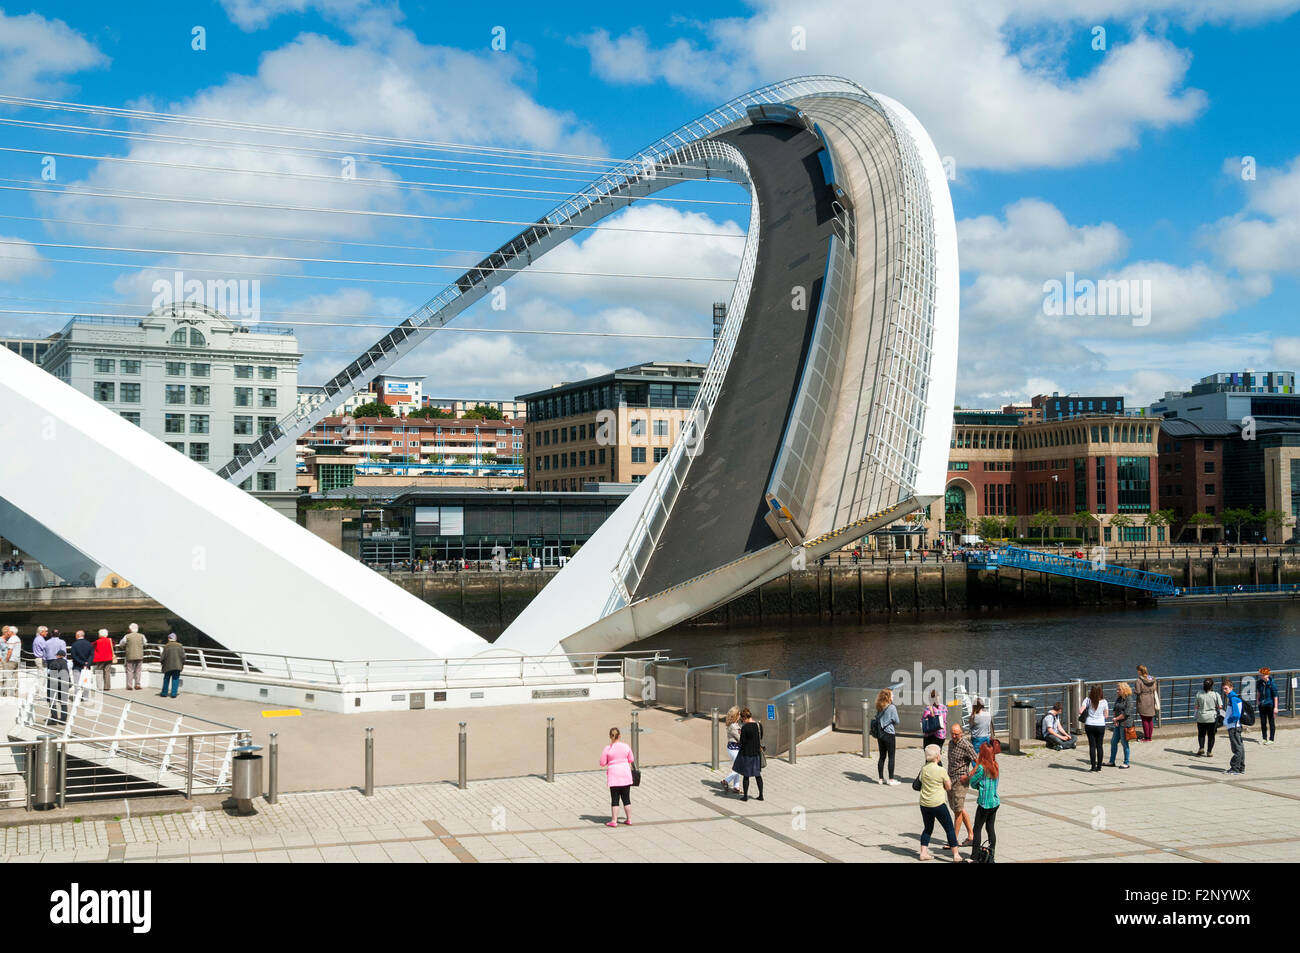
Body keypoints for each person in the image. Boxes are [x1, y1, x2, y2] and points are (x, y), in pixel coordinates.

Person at [917, 744, 961, 862]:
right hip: (938, 804)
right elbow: (948, 787)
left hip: (925, 803)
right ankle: (956, 855)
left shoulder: (924, 768)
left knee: (927, 828)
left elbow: (920, 782)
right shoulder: (941, 770)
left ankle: (923, 853)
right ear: (937, 756)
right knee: (949, 829)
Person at [965, 739, 1001, 862]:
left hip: (985, 803)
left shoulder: (981, 768)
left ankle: (974, 856)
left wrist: (978, 786)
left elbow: (973, 782)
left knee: (977, 829)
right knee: (990, 828)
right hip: (995, 802)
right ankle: (992, 854)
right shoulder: (996, 765)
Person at [946, 723, 977, 846]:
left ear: (961, 733)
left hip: (961, 781)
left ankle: (953, 840)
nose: (954, 736)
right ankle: (971, 835)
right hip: (950, 780)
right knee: (957, 808)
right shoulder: (950, 743)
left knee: (958, 811)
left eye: (956, 734)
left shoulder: (966, 745)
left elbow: (978, 762)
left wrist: (969, 775)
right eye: (952, 733)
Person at [599, 727, 634, 827]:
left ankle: (614, 821)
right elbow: (631, 759)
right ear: (620, 736)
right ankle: (629, 819)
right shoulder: (626, 746)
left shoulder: (607, 748)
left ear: (610, 736)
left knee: (615, 799)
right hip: (625, 775)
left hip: (614, 776)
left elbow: (602, 763)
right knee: (626, 799)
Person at [735, 708, 765, 801]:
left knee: (746, 776)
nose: (742, 721)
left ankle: (745, 796)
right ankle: (761, 795)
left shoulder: (745, 728)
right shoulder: (758, 725)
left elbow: (742, 742)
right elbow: (761, 736)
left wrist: (741, 734)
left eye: (742, 719)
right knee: (758, 775)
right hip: (756, 754)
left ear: (744, 718)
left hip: (747, 754)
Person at [1080, 684, 1109, 771]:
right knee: (1099, 746)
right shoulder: (1104, 702)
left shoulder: (1088, 700)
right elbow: (1106, 715)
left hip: (1089, 724)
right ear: (1101, 692)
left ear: (1091, 691)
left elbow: (1080, 711)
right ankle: (1099, 766)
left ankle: (1093, 766)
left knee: (1092, 746)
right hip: (1100, 725)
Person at [874, 688, 899, 785]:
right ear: (888, 696)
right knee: (891, 757)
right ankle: (891, 779)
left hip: (880, 734)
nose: (893, 696)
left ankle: (880, 778)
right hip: (889, 734)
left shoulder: (879, 706)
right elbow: (897, 721)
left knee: (882, 756)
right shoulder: (892, 707)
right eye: (892, 695)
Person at [1222, 678, 1245, 776]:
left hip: (1234, 727)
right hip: (1237, 726)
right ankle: (1241, 768)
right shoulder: (1235, 697)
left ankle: (1235, 768)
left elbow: (1236, 715)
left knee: (1237, 748)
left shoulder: (1233, 699)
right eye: (1223, 689)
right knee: (1240, 747)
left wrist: (1227, 721)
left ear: (1231, 688)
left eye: (1226, 689)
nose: (1224, 691)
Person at [1194, 678, 1223, 757]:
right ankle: (1209, 751)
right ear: (1212, 686)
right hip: (1212, 717)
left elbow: (1196, 706)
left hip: (1201, 717)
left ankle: (1201, 748)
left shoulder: (1199, 694)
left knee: (1201, 734)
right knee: (1211, 735)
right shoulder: (1216, 694)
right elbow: (1220, 706)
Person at [1107, 682, 1132, 769]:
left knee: (1124, 743)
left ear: (1124, 690)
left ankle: (1126, 762)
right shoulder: (1118, 699)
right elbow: (1114, 709)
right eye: (1117, 689)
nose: (1117, 691)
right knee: (1113, 742)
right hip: (1118, 724)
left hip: (1125, 724)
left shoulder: (1129, 699)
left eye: (1119, 690)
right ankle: (1112, 761)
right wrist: (1115, 719)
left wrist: (1117, 719)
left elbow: (1126, 713)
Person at [721, 706, 743, 794]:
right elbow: (740, 738)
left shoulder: (735, 724)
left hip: (734, 749)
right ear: (735, 715)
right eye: (739, 714)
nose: (740, 716)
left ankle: (736, 787)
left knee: (736, 767)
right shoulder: (733, 726)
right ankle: (725, 781)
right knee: (739, 768)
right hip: (734, 749)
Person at [46, 649, 72, 725]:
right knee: (63, 702)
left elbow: (51, 675)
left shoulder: (54, 663)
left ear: (58, 655)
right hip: (65, 684)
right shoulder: (66, 663)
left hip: (55, 685)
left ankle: (54, 719)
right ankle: (63, 720)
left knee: (52, 702)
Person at [118, 623, 146, 691]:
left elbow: (121, 643)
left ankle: (129, 686)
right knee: (138, 670)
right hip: (139, 655)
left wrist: (123, 646)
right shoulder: (142, 636)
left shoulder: (127, 636)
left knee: (129, 670)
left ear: (130, 629)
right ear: (137, 629)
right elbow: (145, 643)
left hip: (130, 655)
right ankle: (137, 685)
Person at [1134, 665, 1158, 741]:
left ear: (1140, 671)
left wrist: (1133, 691)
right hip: (1151, 700)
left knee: (1144, 719)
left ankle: (1146, 738)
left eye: (1137, 670)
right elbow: (1154, 689)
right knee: (1150, 720)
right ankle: (1149, 737)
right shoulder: (1152, 679)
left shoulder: (1138, 680)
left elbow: (1138, 691)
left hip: (1143, 700)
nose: (1137, 672)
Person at [1258, 668, 1279, 745]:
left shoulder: (1272, 684)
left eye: (1264, 675)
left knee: (1271, 722)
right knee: (1263, 722)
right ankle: (1264, 738)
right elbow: (1259, 692)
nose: (1262, 676)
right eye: (1261, 675)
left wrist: (1276, 707)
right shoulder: (1259, 683)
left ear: (1268, 675)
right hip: (1262, 704)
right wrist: (1258, 701)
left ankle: (1271, 739)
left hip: (1270, 705)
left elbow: (1275, 696)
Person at [160, 633, 184, 698]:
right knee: (175, 679)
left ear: (168, 639)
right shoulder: (180, 646)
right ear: (175, 639)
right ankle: (173, 694)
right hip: (177, 666)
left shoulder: (166, 646)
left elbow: (162, 658)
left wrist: (162, 664)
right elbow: (183, 657)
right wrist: (182, 664)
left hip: (167, 666)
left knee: (166, 679)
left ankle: (164, 693)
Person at [0, 626, 20, 697]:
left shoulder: (11, 639)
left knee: (7, 677)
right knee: (7, 677)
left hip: (10, 661)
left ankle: (8, 694)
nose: (8, 633)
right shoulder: (16, 638)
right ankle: (11, 693)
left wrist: (7, 660)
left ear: (11, 632)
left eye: (8, 631)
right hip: (8, 661)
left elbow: (10, 651)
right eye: (7, 631)